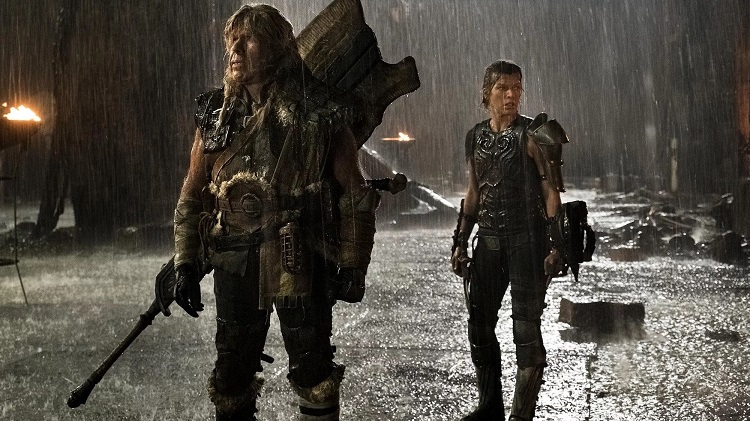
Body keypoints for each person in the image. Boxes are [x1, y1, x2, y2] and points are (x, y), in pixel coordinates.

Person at [172, 5, 380, 420]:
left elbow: (355, 194)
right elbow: (192, 196)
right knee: (232, 372)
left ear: (277, 47)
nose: (235, 49)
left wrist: (354, 263)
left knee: (312, 367)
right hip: (235, 257)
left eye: (247, 39)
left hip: (298, 252)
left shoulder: (320, 110)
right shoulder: (214, 115)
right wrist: (185, 262)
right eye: (231, 40)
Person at [451, 60, 567, 420]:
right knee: (479, 325)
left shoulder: (532, 135)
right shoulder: (475, 136)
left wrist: (556, 244)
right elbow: (474, 192)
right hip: (488, 241)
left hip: (526, 242)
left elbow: (550, 192)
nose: (511, 95)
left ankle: (520, 416)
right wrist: (460, 240)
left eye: (517, 87)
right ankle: (490, 408)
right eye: (503, 88)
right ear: (487, 93)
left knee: (526, 332)